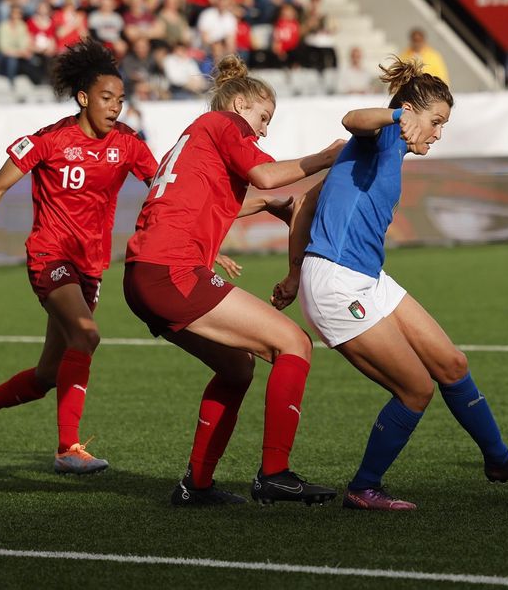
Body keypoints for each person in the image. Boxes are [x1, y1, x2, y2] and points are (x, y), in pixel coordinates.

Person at [272, 59, 508, 511]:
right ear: (410, 112)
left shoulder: (386, 150)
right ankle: (363, 488)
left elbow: (305, 202)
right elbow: (351, 119)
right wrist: (396, 116)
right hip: (337, 285)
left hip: (367, 278)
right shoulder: (384, 132)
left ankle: (499, 461)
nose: (438, 134)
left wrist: (292, 272)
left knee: (451, 364)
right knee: (416, 389)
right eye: (436, 122)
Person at [122, 54, 344, 506]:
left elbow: (206, 202)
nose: (263, 131)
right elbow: (264, 175)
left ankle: (196, 486)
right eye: (263, 118)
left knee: (237, 368)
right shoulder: (226, 124)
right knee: (294, 343)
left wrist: (263, 206)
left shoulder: (194, 136)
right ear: (241, 104)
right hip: (171, 272)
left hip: (143, 275)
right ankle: (275, 473)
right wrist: (327, 156)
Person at [0, 39, 158, 474]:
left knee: (47, 375)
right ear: (82, 98)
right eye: (106, 98)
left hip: (90, 265)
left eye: (120, 99)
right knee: (86, 336)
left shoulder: (128, 143)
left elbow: (164, 190)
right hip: (50, 255)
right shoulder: (49, 140)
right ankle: (67, 449)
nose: (115, 107)